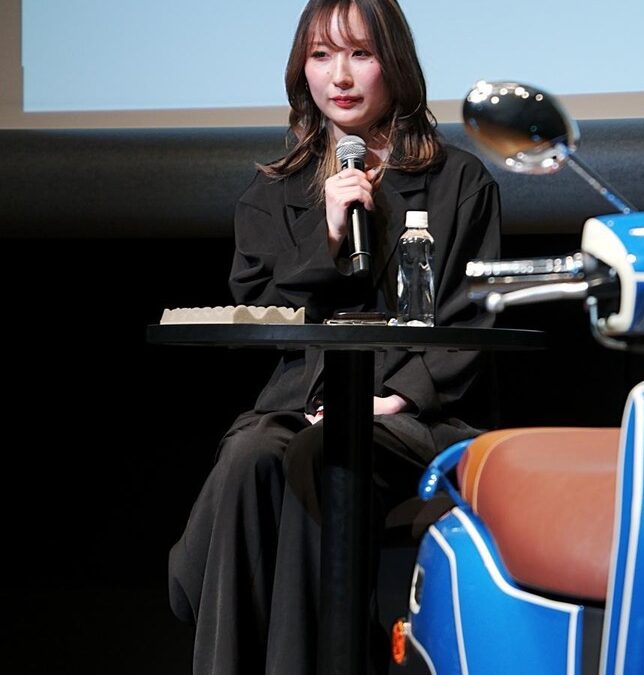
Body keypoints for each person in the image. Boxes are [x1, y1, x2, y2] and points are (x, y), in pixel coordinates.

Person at [167, 1, 500, 673]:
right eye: (321, 56)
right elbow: (257, 310)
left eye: (360, 54)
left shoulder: (459, 182)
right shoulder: (274, 191)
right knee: (250, 455)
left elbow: (471, 319)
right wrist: (324, 237)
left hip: (408, 418)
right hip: (295, 406)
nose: (339, 77)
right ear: (302, 70)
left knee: (322, 453)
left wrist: (393, 398)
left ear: (394, 64)